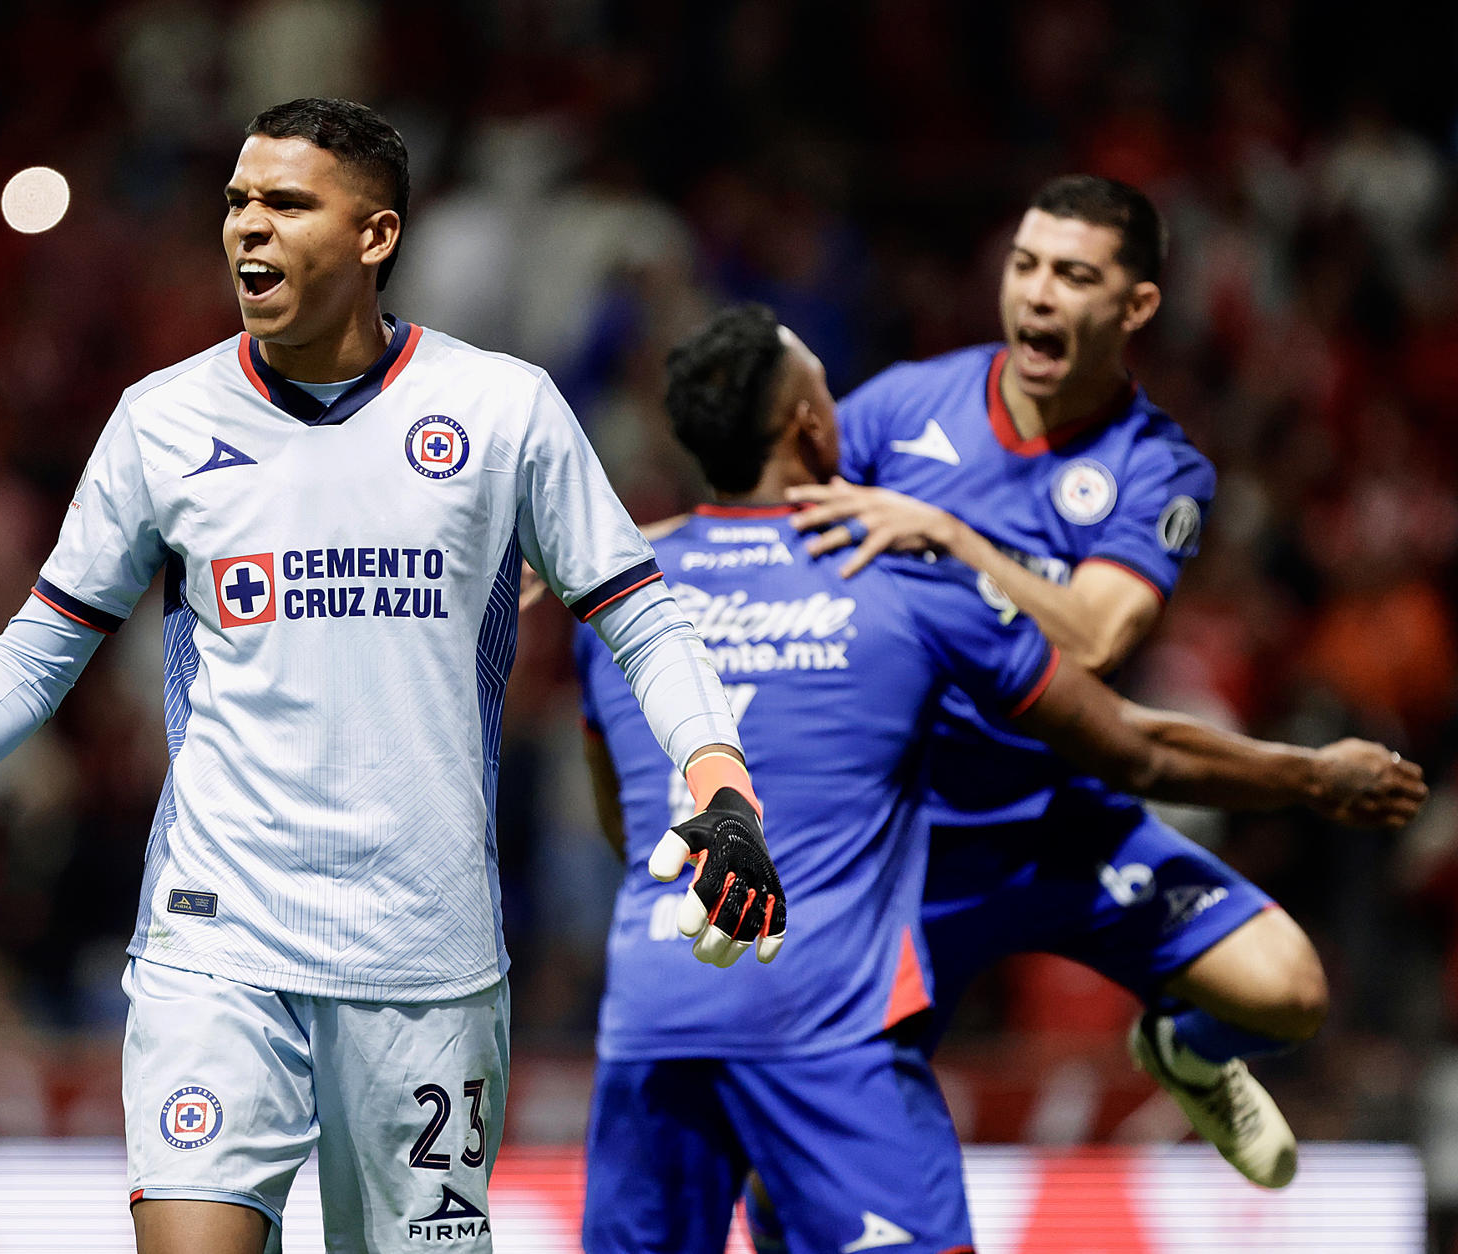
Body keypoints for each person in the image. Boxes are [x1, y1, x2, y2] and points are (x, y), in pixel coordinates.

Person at [0, 98, 786, 1254]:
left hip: (427, 959)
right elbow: (40, 650)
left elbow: (645, 619)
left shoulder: (503, 411)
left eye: (287, 205)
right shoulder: (161, 423)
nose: (248, 231)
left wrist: (723, 789)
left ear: (376, 237)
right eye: (238, 204)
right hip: (220, 940)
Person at [575, 303, 1425, 1254]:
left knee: (1280, 985)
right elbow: (1131, 747)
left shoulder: (625, 596)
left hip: (655, 1006)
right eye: (824, 383)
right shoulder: (898, 575)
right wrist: (1310, 777)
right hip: (826, 1020)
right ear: (814, 425)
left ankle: (1181, 1052)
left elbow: (629, 827)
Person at [783, 174, 1323, 1189]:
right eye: (1025, 265)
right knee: (800, 1169)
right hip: (908, 845)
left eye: (1074, 276)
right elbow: (765, 517)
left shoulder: (1159, 467)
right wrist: (620, 549)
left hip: (1071, 824)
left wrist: (948, 533)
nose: (1036, 294)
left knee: (1288, 990)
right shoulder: (903, 406)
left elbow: (1100, 636)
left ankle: (1185, 1052)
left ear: (1136, 307)